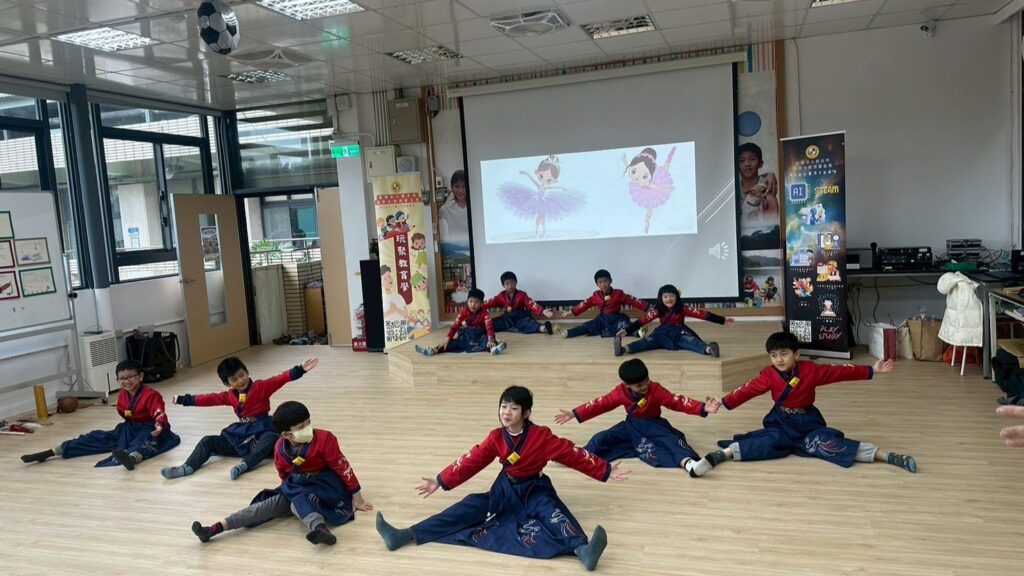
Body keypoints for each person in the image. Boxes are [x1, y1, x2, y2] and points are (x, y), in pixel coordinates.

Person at [374, 386, 629, 571]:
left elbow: (572, 453)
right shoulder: (496, 437)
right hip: (504, 490)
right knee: (467, 507)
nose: (506, 412)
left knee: (555, 515)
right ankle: (404, 535)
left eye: (514, 408)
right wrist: (440, 481)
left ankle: (583, 551)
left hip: (535, 490)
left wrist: (605, 470)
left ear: (526, 413)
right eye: (503, 406)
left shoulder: (541, 437)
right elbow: (471, 460)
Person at [703, 331, 917, 473]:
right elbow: (747, 389)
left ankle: (887, 456)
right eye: (774, 355)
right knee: (769, 441)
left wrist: (872, 370)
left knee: (828, 444)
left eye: (784, 354)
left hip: (808, 423)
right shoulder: (768, 374)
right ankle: (723, 455)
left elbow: (839, 371)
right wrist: (723, 401)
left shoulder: (810, 370)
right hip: (780, 422)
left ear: (796, 354)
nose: (779, 359)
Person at [190, 401, 373, 546]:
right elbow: (283, 473)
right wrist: (287, 489)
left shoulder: (325, 438)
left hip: (326, 485)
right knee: (263, 507)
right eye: (301, 426)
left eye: (308, 423)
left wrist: (357, 496)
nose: (307, 428)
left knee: (297, 502)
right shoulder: (279, 448)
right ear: (286, 435)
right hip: (296, 485)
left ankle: (320, 529)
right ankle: (214, 529)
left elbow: (343, 466)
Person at [160, 356, 319, 480]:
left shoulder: (261, 387)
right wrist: (184, 399)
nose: (240, 380)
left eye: (241, 375)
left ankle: (245, 465)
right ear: (227, 383)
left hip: (263, 429)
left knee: (271, 438)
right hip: (242, 433)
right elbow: (209, 398)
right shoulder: (229, 395)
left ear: (247, 372)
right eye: (234, 379)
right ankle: (187, 467)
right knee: (207, 441)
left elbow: (279, 379)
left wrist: (300, 369)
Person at [555, 359, 720, 477]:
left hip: (654, 425)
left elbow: (677, 401)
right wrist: (574, 413)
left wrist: (702, 407)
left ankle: (691, 466)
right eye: (639, 385)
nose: (645, 387)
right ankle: (575, 457)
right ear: (626, 385)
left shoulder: (655, 389)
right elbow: (600, 403)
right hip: (631, 426)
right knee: (601, 438)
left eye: (646, 381)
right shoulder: (619, 392)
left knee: (671, 441)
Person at [20, 359, 180, 470]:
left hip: (151, 428)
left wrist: (159, 426)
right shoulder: (123, 394)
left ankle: (132, 459)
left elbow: (158, 413)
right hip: (129, 428)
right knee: (98, 437)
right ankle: (54, 451)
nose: (126, 381)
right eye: (122, 379)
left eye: (131, 377)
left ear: (140, 377)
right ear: (118, 380)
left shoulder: (151, 394)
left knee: (145, 440)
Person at [613, 284, 735, 358]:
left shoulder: (683, 308)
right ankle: (624, 349)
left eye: (672, 296)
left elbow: (703, 315)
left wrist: (723, 320)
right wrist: (626, 331)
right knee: (646, 341)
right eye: (665, 296)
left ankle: (709, 349)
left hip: (679, 332)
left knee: (691, 341)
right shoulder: (657, 310)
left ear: (677, 297)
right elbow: (642, 321)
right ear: (660, 298)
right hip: (661, 333)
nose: (669, 299)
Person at [497, 155, 584, 239]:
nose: (544, 180)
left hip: (542, 203)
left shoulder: (545, 187)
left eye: (549, 180)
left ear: (554, 181)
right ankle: (538, 233)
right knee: (539, 218)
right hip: (537, 202)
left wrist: (561, 188)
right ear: (537, 172)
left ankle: (543, 232)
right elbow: (531, 179)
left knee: (542, 218)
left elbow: (552, 188)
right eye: (541, 176)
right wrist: (525, 173)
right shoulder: (538, 185)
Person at [557, 269, 648, 338]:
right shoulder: (596, 295)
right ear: (597, 284)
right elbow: (585, 304)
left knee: (626, 325)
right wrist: (569, 312)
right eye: (600, 282)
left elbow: (632, 300)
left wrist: (647, 307)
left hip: (616, 318)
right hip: (602, 320)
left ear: (610, 281)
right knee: (588, 325)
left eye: (605, 281)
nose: (603, 284)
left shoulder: (618, 293)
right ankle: (567, 333)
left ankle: (639, 333)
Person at [416, 288, 506, 356]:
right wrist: (447, 338)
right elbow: (456, 325)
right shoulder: (463, 311)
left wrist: (490, 338)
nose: (473, 304)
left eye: (477, 302)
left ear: (482, 303)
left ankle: (493, 349)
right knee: (450, 343)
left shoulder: (484, 313)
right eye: (471, 301)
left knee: (488, 342)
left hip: (480, 335)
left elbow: (489, 326)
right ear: (467, 301)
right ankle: (433, 350)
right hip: (467, 335)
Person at [622, 146, 676, 235]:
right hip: (644, 190)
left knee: (664, 171)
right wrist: (626, 163)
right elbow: (631, 170)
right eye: (634, 172)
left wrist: (666, 189)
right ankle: (647, 221)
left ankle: (669, 159)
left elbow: (662, 189)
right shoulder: (638, 173)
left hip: (653, 188)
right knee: (649, 205)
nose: (637, 178)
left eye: (644, 176)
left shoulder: (651, 181)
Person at [485, 271, 555, 335]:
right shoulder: (501, 296)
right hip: (508, 318)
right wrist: (480, 305)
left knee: (529, 323)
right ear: (503, 285)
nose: (510, 285)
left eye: (512, 283)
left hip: (520, 317)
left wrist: (542, 311)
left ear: (516, 282)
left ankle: (544, 328)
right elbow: (491, 302)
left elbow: (531, 303)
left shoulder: (522, 295)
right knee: (493, 323)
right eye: (507, 283)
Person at [737, 142, 779, 225]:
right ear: (736, 165)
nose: (747, 164)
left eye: (752, 159)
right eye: (742, 161)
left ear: (760, 164)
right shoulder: (734, 189)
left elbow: (773, 216)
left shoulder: (767, 184)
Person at [439, 170, 470, 247]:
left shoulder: (475, 207)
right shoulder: (445, 209)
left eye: (464, 186)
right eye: (457, 186)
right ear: (452, 187)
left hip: (476, 248)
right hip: (454, 249)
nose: (460, 190)